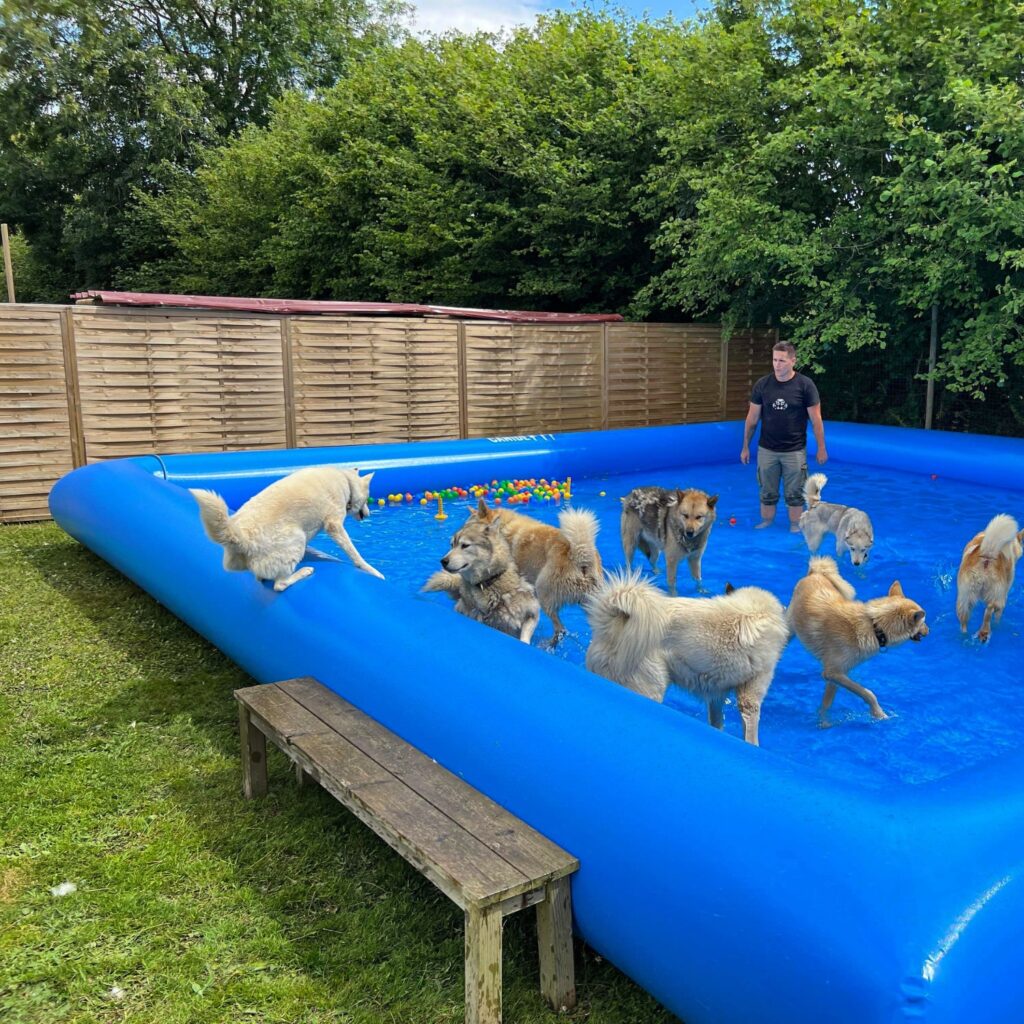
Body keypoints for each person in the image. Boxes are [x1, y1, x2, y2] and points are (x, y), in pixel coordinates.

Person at [740, 341, 827, 532]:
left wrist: (821, 448)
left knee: (795, 492)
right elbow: (752, 419)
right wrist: (745, 446)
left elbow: (816, 419)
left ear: (793, 361)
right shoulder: (763, 385)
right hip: (767, 449)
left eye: (782, 360)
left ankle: (796, 525)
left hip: (794, 450)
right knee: (767, 491)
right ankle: (767, 522)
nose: (777, 365)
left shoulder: (805, 385)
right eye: (774, 360)